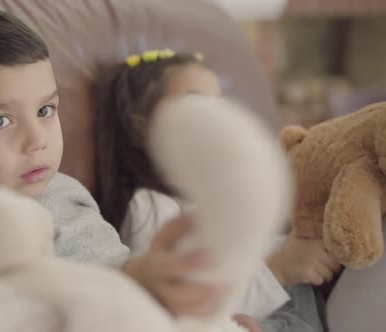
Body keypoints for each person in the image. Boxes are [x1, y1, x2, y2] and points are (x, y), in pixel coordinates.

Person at [0, 2, 237, 323]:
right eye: (0, 121)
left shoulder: (54, 190)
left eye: (45, 111)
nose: (37, 140)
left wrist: (151, 282)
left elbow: (107, 264)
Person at [92, 49, 341, 331]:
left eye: (220, 108)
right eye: (197, 109)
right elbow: (175, 304)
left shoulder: (225, 197)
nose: (218, 123)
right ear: (141, 130)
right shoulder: (151, 208)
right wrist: (279, 268)